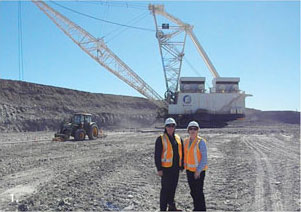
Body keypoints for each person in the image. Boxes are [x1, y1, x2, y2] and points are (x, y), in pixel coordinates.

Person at [154, 117, 184, 211]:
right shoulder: (161, 139)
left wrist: (181, 165)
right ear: (165, 127)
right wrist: (159, 169)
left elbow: (181, 152)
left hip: (175, 168)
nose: (170, 128)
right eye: (168, 126)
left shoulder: (178, 138)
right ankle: (163, 209)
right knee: (165, 190)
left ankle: (171, 207)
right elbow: (157, 155)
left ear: (175, 127)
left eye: (172, 126)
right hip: (166, 168)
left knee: (173, 188)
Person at [184, 121, 207, 211]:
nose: (193, 130)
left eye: (195, 129)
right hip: (189, 170)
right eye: (191, 128)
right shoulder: (185, 142)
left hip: (199, 172)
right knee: (193, 192)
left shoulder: (201, 142)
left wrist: (198, 171)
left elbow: (204, 158)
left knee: (199, 192)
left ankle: (201, 209)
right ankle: (196, 208)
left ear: (198, 130)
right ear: (188, 130)